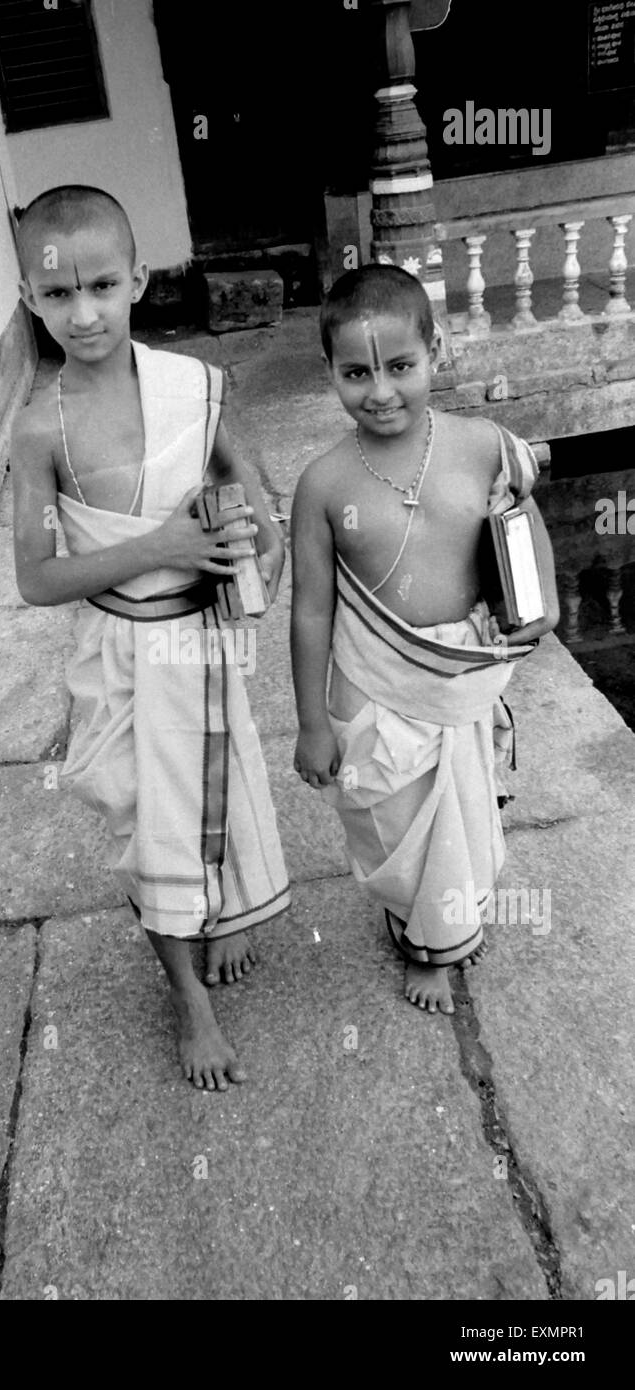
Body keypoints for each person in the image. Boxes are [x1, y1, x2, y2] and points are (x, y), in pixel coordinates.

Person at [11, 185, 290, 1088]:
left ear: (138, 278)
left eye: (100, 285)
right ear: (28, 298)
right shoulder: (38, 430)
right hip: (120, 657)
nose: (82, 312)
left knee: (215, 793)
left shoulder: (193, 387)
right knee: (145, 827)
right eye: (57, 295)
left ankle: (219, 915)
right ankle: (186, 996)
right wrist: (163, 543)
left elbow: (253, 501)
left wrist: (247, 551)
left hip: (197, 646)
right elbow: (36, 576)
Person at [291, 264, 559, 1016]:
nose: (380, 391)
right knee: (394, 820)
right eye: (356, 373)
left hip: (459, 673)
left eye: (400, 366)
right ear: (330, 373)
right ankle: (418, 920)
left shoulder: (479, 445)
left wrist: (541, 598)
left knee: (462, 814)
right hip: (378, 679)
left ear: (435, 351)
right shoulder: (324, 483)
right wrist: (313, 723)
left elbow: (521, 513)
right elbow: (310, 608)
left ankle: (434, 942)